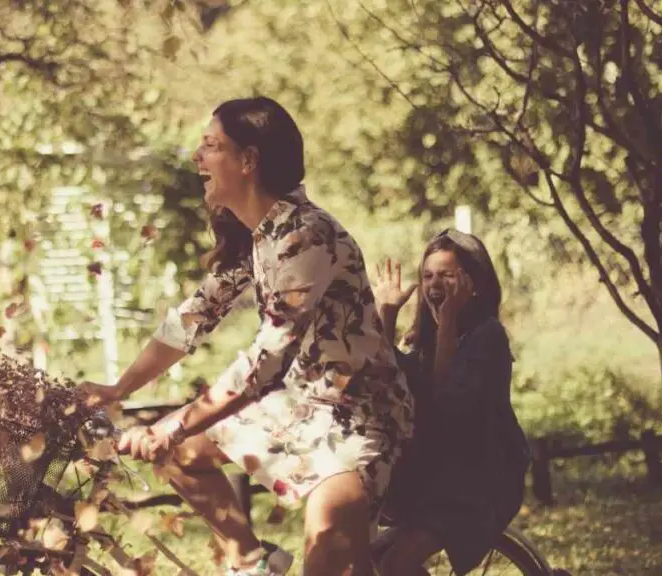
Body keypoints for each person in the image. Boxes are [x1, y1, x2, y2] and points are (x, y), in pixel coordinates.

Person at [81, 96, 414, 576]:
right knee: (182, 455)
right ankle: (253, 562)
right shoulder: (258, 237)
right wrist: (118, 390)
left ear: (248, 161)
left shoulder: (307, 236)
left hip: (358, 419)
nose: (197, 158)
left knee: (326, 559)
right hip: (301, 408)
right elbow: (190, 320)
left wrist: (174, 422)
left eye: (210, 145)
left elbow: (265, 363)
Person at [371, 229, 529, 576]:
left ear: (473, 283)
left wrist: (447, 326)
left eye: (446, 274)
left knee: (397, 565)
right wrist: (387, 314)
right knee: (380, 562)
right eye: (427, 275)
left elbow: (447, 402)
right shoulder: (423, 340)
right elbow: (387, 376)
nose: (433, 284)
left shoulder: (488, 335)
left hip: (477, 479)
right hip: (435, 475)